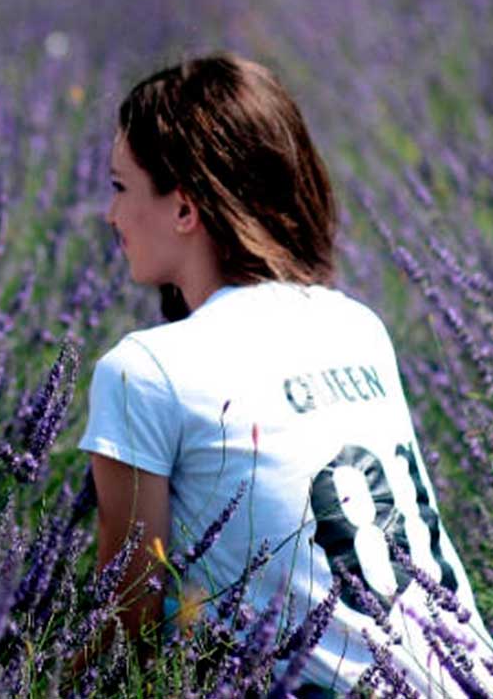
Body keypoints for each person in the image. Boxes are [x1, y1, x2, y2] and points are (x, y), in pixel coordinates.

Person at [78, 54, 492, 695]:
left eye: (119, 187)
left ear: (185, 209)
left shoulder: (143, 372)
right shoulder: (357, 325)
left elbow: (122, 630)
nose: (110, 216)